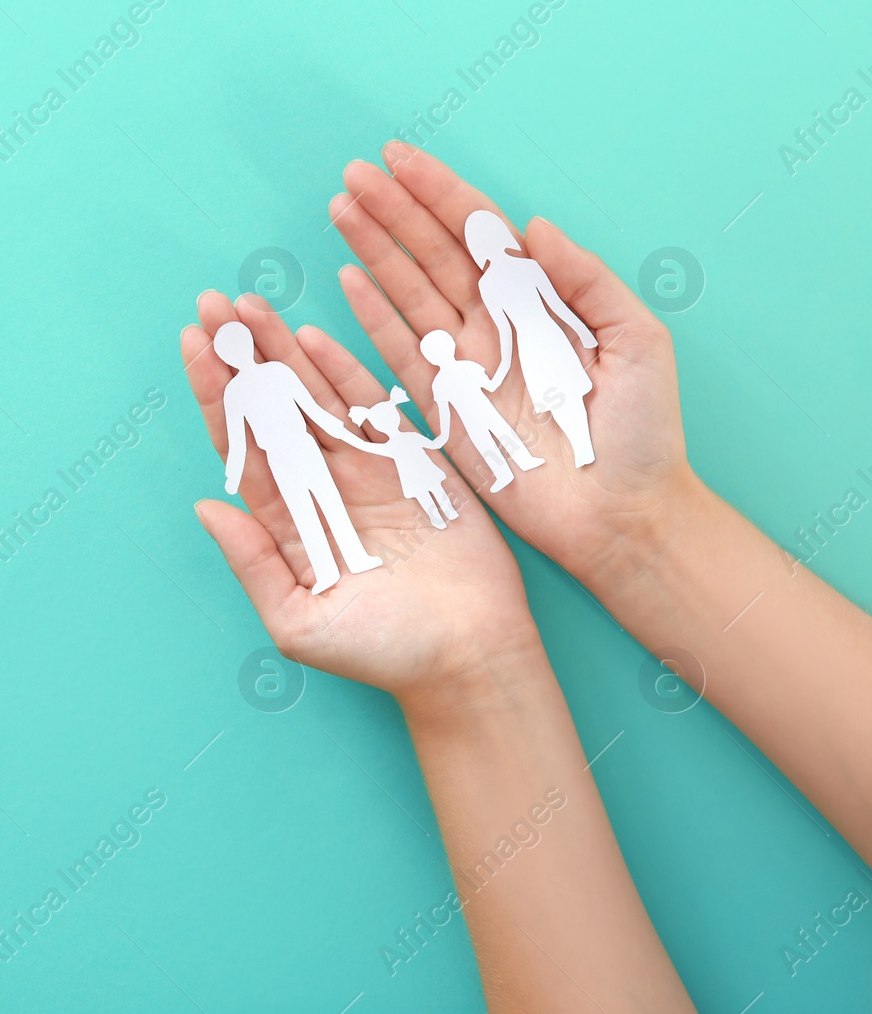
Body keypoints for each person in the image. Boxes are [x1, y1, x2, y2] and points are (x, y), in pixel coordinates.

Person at [183, 142, 872, 1013]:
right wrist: (644, 528)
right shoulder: (270, 391)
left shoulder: (493, 315)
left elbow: (331, 409)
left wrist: (473, 680)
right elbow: (288, 426)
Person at [213, 320, 381, 592]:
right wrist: (233, 477)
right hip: (281, 456)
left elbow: (311, 409)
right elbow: (238, 442)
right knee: (306, 511)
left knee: (328, 501)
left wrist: (344, 432)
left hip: (301, 447)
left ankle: (356, 558)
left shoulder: (275, 373)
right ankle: (327, 572)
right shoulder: (236, 391)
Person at [465, 209, 599, 467]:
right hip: (541, 340)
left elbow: (554, 307)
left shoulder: (503, 277)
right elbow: (516, 324)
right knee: (563, 394)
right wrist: (502, 370)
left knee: (565, 393)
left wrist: (583, 332)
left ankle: (583, 446)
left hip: (540, 341)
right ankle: (580, 446)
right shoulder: (508, 275)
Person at [419, 327, 543, 492]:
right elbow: (490, 386)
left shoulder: (443, 381)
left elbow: (446, 413)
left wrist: (443, 436)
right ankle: (515, 467)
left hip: (479, 417)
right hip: (479, 416)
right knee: (496, 439)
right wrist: (504, 365)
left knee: (494, 441)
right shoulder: (462, 370)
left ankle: (517, 466)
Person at [345, 385, 458, 528]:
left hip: (413, 477)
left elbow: (365, 445)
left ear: (376, 426)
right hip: (425, 471)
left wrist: (345, 435)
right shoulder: (410, 437)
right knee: (436, 490)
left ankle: (438, 520)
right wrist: (445, 426)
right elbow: (435, 444)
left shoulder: (390, 446)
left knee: (426, 496)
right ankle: (448, 514)